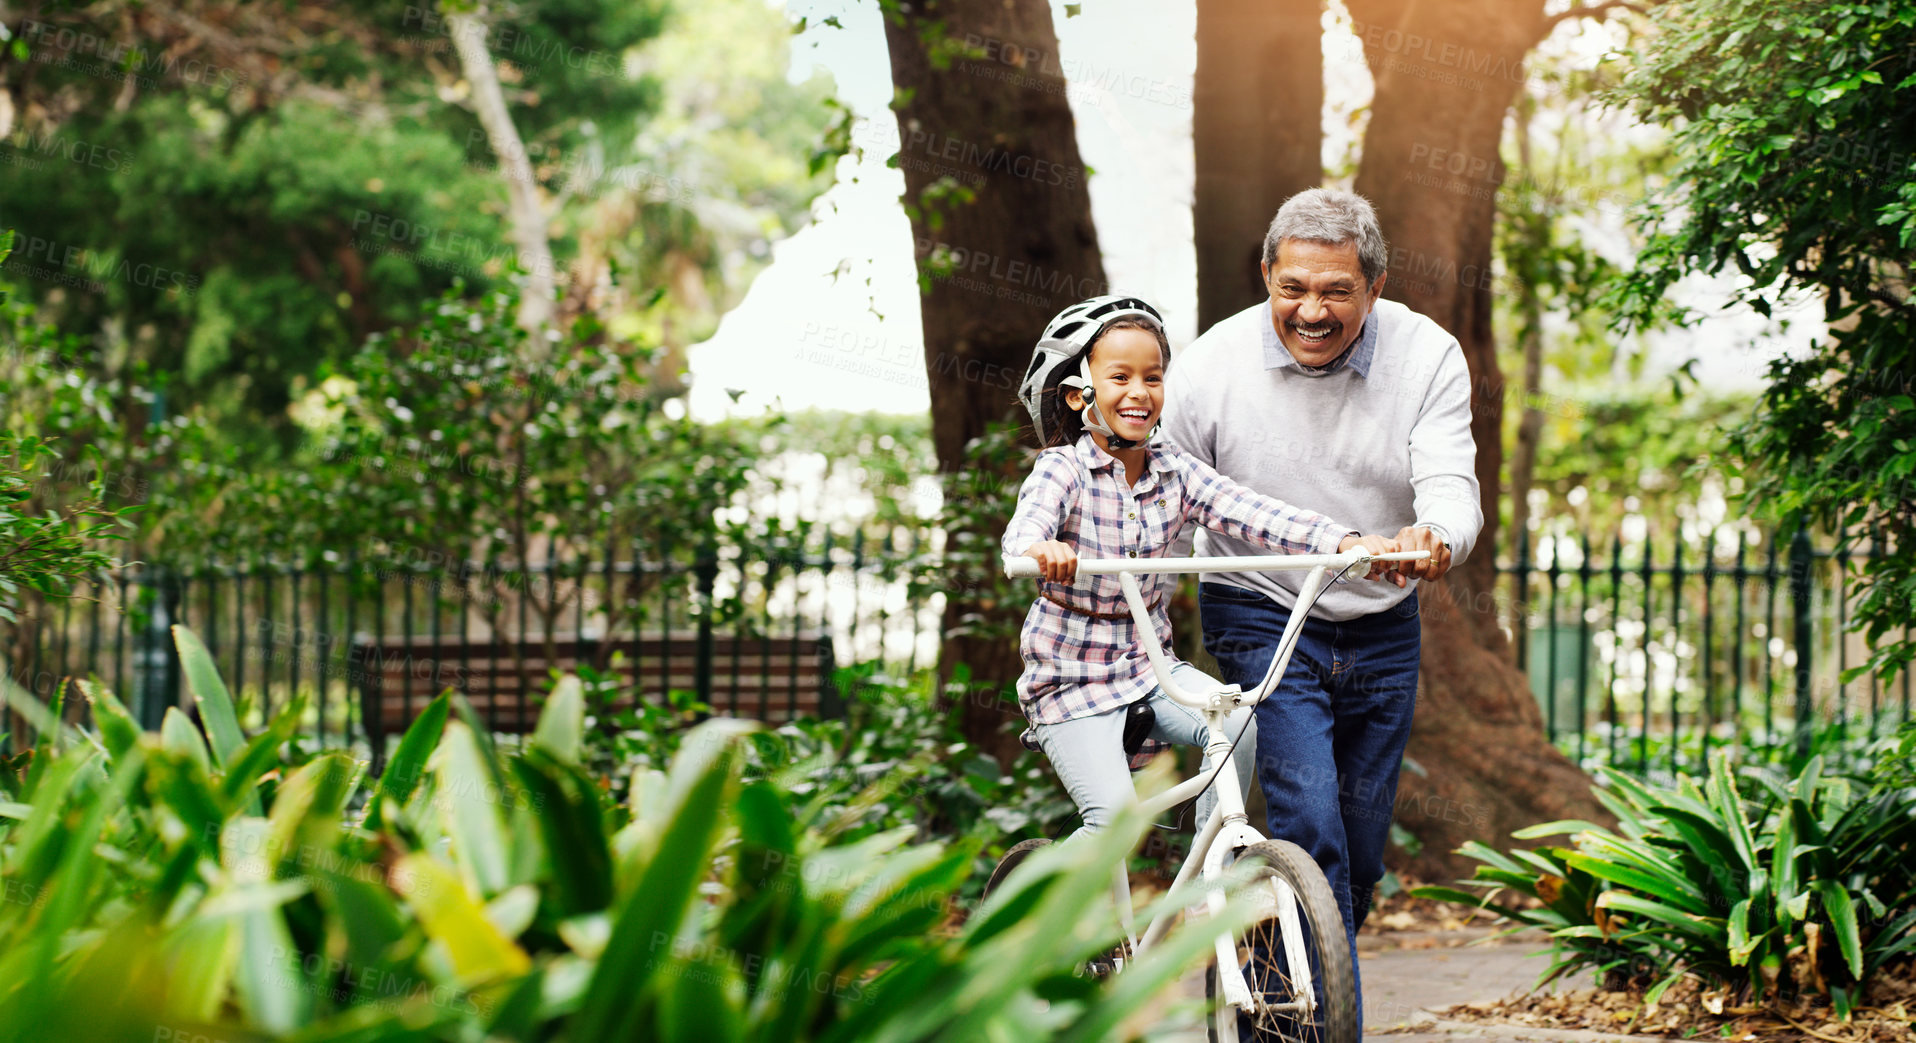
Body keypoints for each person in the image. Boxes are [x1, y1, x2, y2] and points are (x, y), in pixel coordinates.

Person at [1164, 188, 1484, 1031]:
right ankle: (1310, 1026)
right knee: (1310, 821)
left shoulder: (1427, 354)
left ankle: (1289, 976)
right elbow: (1161, 502)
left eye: (1336, 291)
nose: (1312, 310)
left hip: (1382, 615)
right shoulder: (1207, 368)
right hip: (1261, 604)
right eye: (1293, 286)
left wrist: (1438, 535)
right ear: (1266, 274)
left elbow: (1451, 478)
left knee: (1360, 848)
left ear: (1373, 288)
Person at [1002, 293, 1400, 846]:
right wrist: (1040, 549)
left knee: (1237, 721)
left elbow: (1256, 513)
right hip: (1072, 679)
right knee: (1113, 827)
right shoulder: (1062, 471)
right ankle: (1025, 924)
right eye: (1120, 377)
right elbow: (1024, 533)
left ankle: (1208, 887)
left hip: (1150, 669)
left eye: (1153, 377)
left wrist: (1345, 541)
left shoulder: (1175, 472)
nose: (1139, 392)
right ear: (1078, 396)